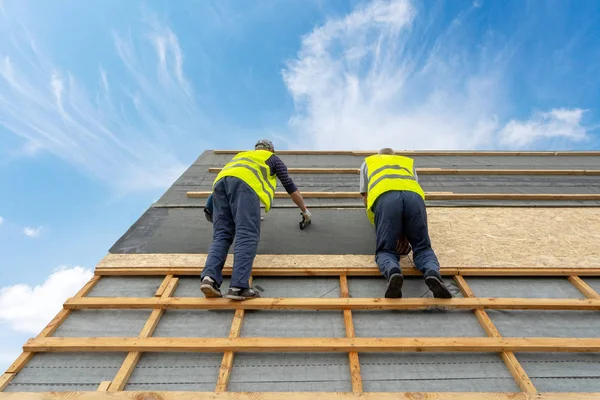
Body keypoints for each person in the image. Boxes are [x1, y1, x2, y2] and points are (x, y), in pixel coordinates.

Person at [200, 139, 311, 300]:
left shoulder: (241, 157)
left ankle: (209, 279)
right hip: (245, 188)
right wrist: (305, 211)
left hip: (219, 187)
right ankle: (238, 287)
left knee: (222, 236)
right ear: (271, 150)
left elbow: (226, 181)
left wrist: (211, 208)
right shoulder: (272, 159)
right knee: (247, 235)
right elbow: (290, 186)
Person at [359, 148, 452, 299]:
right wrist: (404, 234)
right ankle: (432, 273)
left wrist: (381, 224)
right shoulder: (407, 162)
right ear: (394, 156)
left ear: (379, 155)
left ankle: (393, 272)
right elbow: (406, 196)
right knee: (422, 248)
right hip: (414, 198)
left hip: (385, 197)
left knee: (386, 250)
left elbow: (366, 196)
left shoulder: (369, 162)